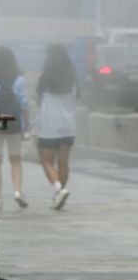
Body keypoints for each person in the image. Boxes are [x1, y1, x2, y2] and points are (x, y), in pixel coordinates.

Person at [0, 46, 31, 210]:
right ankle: (17, 192)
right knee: (15, 160)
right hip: (14, 125)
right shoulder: (18, 80)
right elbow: (24, 105)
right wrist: (27, 126)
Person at [36, 44, 79, 210]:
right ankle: (59, 195)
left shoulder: (45, 77)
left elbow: (39, 101)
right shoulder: (72, 78)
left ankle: (59, 190)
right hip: (68, 125)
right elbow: (75, 99)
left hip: (49, 126)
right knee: (63, 162)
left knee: (46, 161)